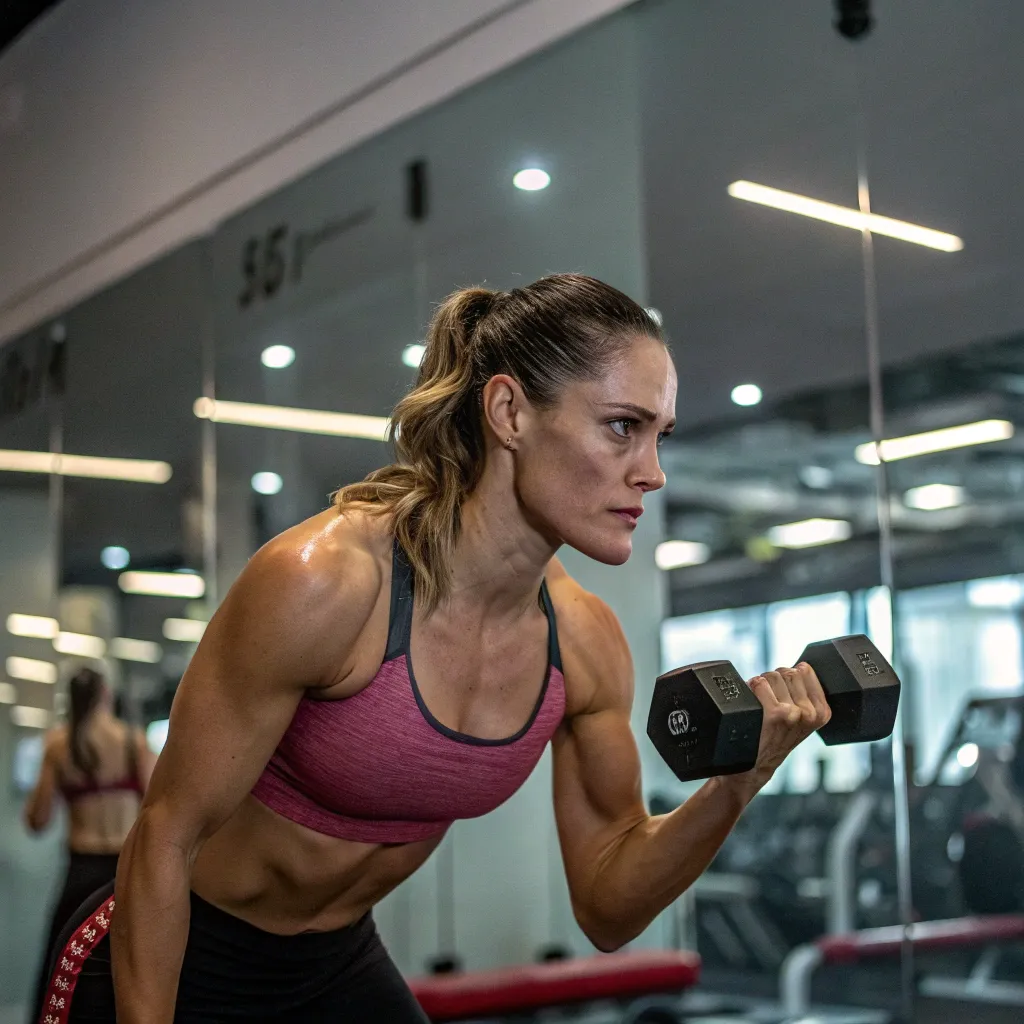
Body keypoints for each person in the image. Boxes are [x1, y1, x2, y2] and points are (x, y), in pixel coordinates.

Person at [43, 274, 831, 1023]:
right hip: (176, 955)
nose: (652, 472)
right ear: (510, 412)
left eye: (659, 435)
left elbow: (609, 903)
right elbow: (164, 838)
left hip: (336, 965)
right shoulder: (327, 584)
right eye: (622, 427)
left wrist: (737, 784)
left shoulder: (583, 642)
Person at [25, 665, 153, 1022]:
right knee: (127, 969)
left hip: (79, 876)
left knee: (64, 968)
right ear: (105, 694)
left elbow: (37, 820)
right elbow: (158, 808)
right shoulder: (132, 741)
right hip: (122, 877)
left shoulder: (58, 744)